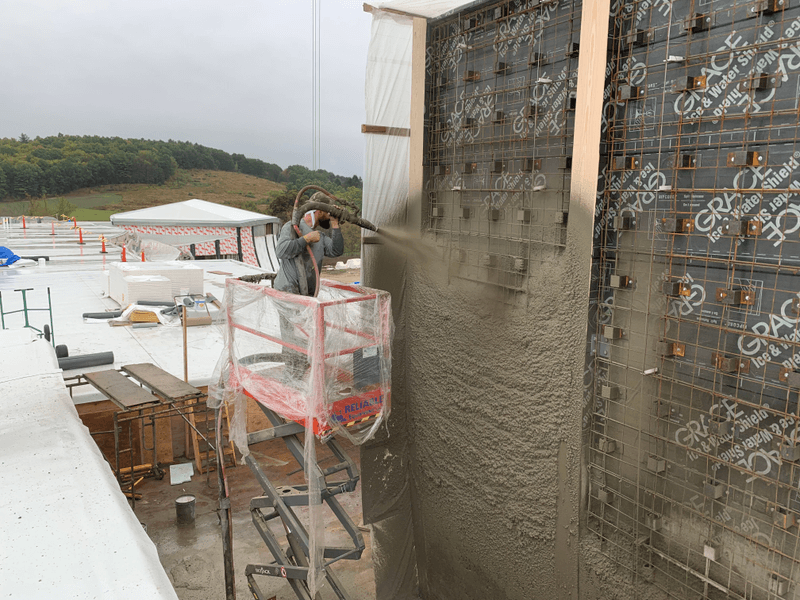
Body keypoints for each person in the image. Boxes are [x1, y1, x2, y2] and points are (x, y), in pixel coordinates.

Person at [273, 209, 344, 378]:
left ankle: (305, 368)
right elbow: (281, 251)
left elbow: (335, 251)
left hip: (306, 294)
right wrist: (305, 240)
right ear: (319, 211)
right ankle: (292, 373)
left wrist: (335, 225)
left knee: (307, 332)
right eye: (329, 213)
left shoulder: (319, 236)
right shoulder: (291, 227)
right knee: (292, 336)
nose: (330, 216)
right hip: (288, 291)